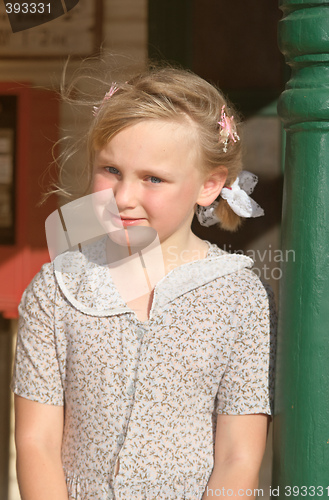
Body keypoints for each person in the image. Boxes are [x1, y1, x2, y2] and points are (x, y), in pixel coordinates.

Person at [11, 66, 277, 500]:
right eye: (111, 169)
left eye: (153, 178)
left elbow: (238, 456)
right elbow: (36, 442)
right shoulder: (57, 288)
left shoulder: (240, 297)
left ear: (209, 185)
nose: (122, 197)